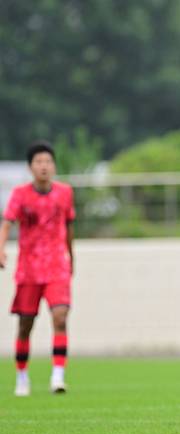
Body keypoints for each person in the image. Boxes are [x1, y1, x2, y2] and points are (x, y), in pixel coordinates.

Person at [0, 141, 75, 396]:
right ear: (31, 167)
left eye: (48, 162)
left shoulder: (65, 193)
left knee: (60, 317)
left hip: (57, 266)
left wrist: (71, 257)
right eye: (38, 162)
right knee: (25, 325)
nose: (44, 166)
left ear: (54, 166)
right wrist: (1, 249)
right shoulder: (20, 194)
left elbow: (69, 226)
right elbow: (7, 222)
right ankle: (22, 376)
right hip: (29, 269)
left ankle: (58, 376)